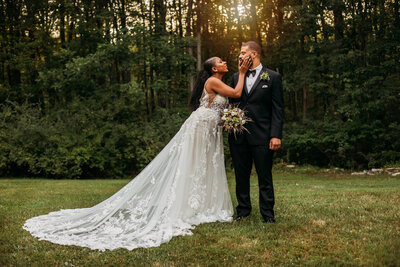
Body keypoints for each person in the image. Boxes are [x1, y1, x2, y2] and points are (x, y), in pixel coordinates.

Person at [22, 56, 252, 251]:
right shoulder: (213, 80)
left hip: (210, 130)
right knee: (194, 166)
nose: (225, 62)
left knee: (205, 166)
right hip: (201, 128)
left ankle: (200, 205)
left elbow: (220, 105)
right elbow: (237, 92)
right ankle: (188, 205)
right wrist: (242, 72)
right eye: (221, 62)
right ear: (214, 69)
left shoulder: (213, 80)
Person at [229, 41, 284, 223]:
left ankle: (267, 214)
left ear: (253, 54)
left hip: (263, 135)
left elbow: (278, 108)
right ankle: (243, 211)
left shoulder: (273, 77)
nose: (240, 55)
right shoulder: (236, 77)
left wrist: (276, 134)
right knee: (241, 175)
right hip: (238, 137)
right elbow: (232, 104)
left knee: (264, 176)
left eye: (243, 52)